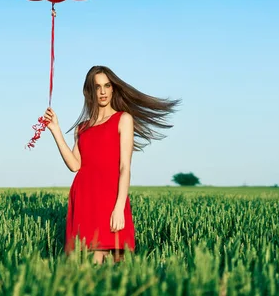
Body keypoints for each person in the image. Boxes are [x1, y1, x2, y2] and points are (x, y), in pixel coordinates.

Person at [43, 65, 180, 264]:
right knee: (87, 264)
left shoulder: (123, 119)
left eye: (107, 85)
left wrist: (119, 207)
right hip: (84, 199)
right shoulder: (82, 128)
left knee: (120, 262)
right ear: (89, 91)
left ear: (113, 88)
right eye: (97, 87)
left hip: (110, 199)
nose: (103, 91)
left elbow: (125, 167)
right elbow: (74, 166)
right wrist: (55, 130)